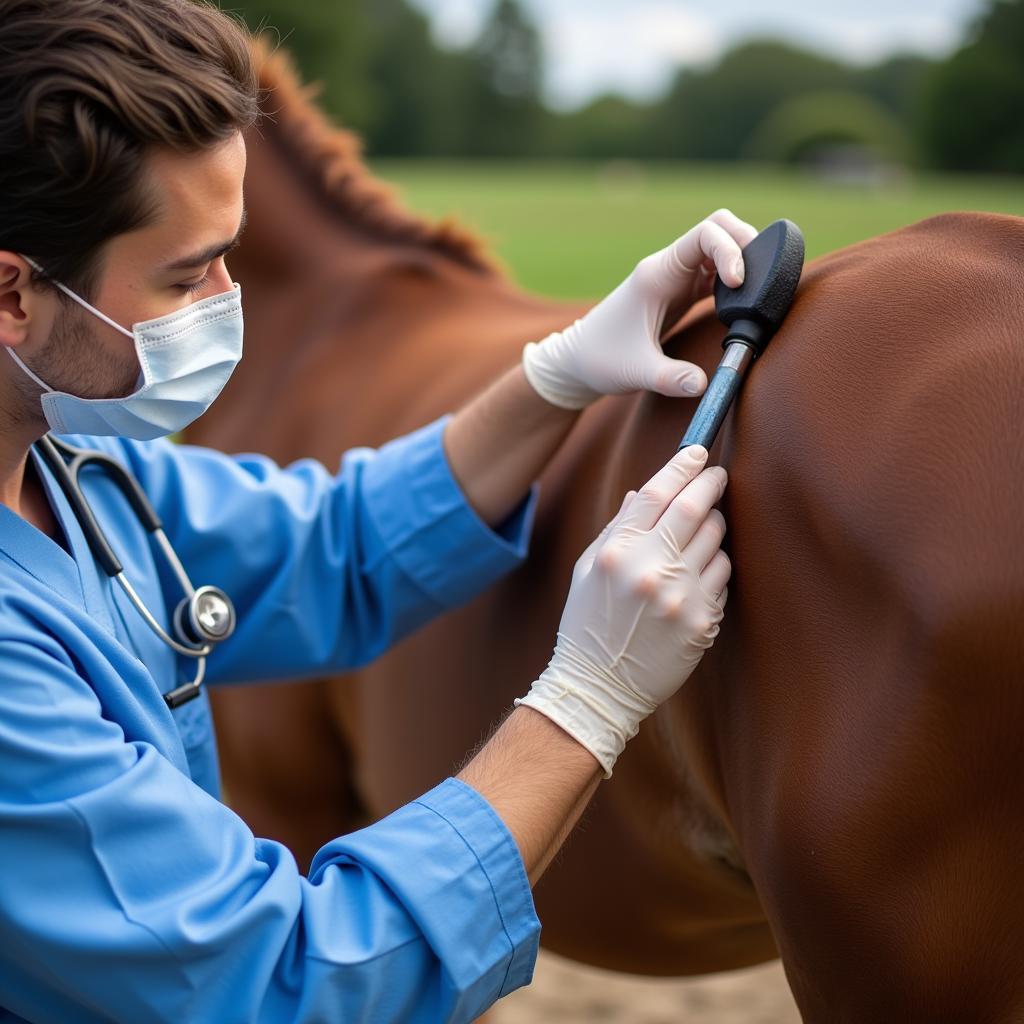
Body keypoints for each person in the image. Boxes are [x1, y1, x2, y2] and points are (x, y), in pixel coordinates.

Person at [0, 2, 751, 1021]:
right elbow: (280, 982)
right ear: (12, 294)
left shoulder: (73, 464)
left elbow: (332, 545)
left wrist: (555, 378)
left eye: (231, 255)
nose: (228, 299)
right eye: (187, 276)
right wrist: (587, 698)